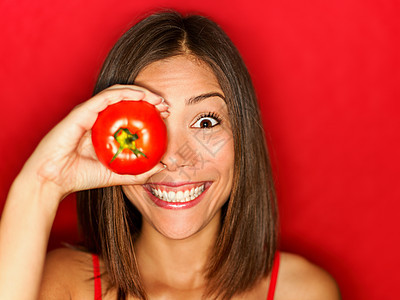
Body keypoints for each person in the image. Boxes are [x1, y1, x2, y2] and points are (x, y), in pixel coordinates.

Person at [0, 10, 341, 300]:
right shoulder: (63, 285)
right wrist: (43, 182)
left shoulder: (301, 291)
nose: (176, 157)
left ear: (242, 138)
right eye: (152, 124)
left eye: (206, 122)